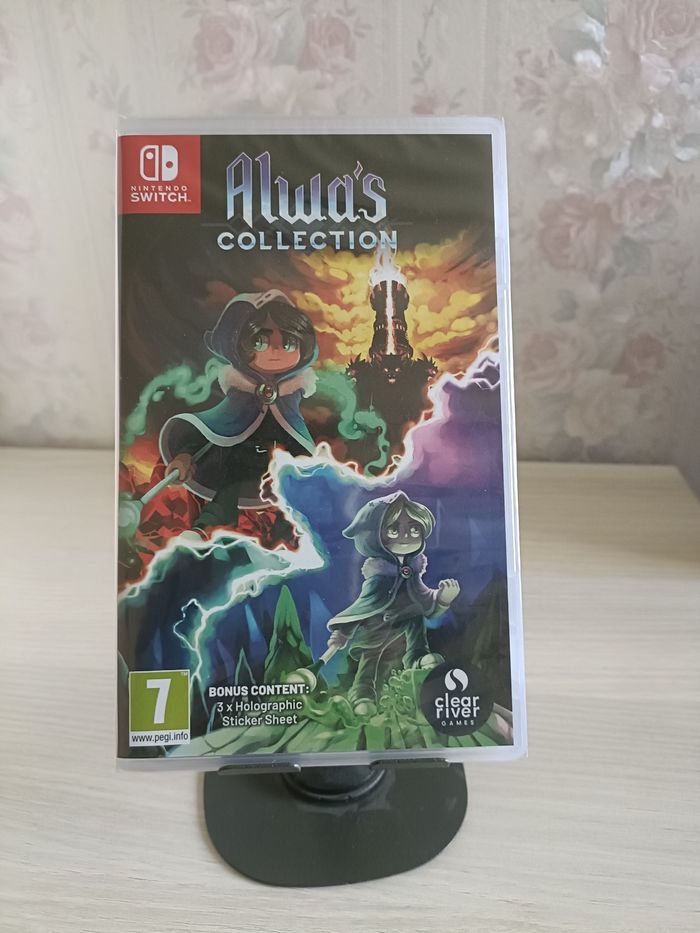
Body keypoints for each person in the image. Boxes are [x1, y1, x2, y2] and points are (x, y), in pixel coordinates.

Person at [160, 290, 317, 535]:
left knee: (294, 500)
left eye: (288, 343)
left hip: (283, 463)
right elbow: (214, 428)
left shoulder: (292, 393)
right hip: (240, 462)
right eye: (260, 342)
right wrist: (185, 455)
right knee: (226, 493)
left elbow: (298, 437)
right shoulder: (241, 392)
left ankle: (287, 537)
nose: (275, 352)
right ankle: (204, 528)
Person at [327, 490, 460, 715]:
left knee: (416, 622)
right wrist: (344, 632)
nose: (406, 536)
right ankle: (362, 695)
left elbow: (422, 597)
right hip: (377, 625)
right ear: (376, 536)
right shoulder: (379, 576)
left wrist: (442, 599)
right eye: (394, 530)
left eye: (414, 529)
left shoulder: (411, 570)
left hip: (406, 618)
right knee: (370, 659)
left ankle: (418, 659)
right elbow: (363, 606)